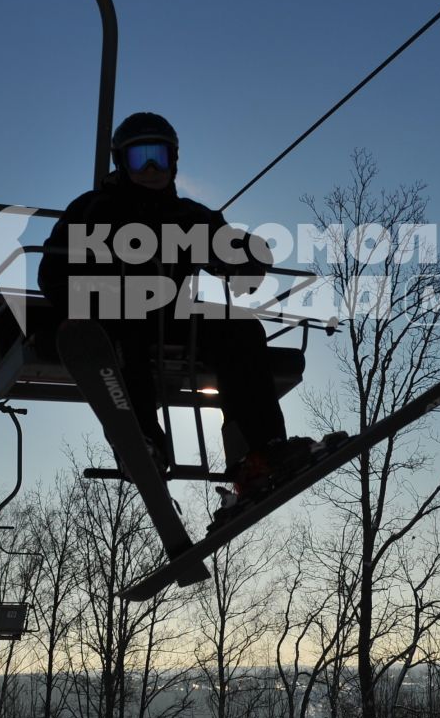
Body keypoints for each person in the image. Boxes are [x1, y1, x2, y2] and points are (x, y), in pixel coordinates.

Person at [37, 112, 321, 516]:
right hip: (110, 312)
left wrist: (244, 259)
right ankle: (142, 441)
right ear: (122, 162)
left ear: (174, 161)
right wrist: (80, 305)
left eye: (159, 157)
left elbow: (228, 250)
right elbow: (51, 270)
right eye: (140, 158)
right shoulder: (93, 209)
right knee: (130, 317)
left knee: (240, 328)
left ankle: (258, 454)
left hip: (170, 318)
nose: (151, 168)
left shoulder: (189, 215)